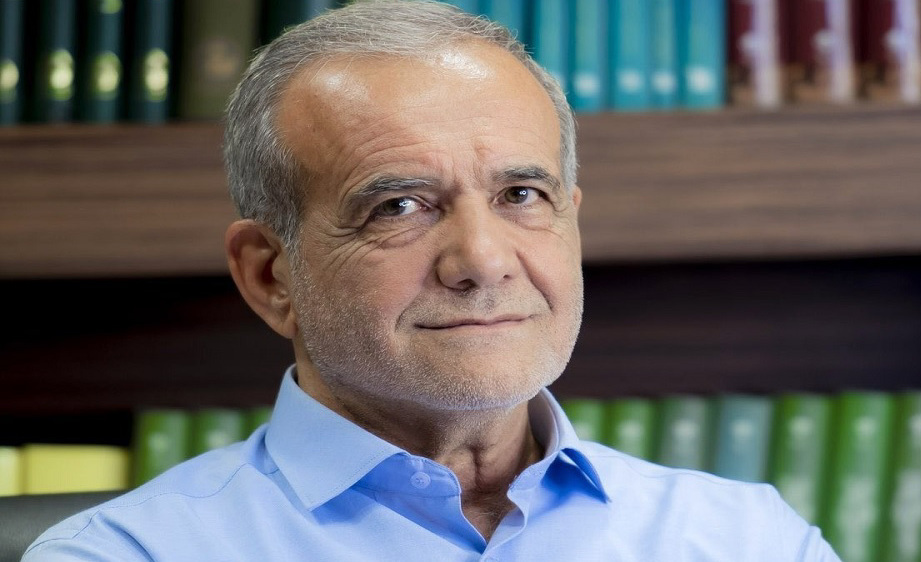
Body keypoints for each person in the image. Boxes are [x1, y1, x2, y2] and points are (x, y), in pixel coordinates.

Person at [25, 1, 841, 560]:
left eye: (522, 196)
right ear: (272, 277)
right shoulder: (129, 553)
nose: (483, 261)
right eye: (400, 206)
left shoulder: (747, 538)